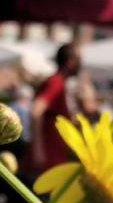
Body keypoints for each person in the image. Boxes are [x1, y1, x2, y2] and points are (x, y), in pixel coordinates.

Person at [23, 42, 80, 176]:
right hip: (47, 159)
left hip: (52, 157)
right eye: (78, 60)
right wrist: (38, 151)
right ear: (70, 62)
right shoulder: (56, 82)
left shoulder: (58, 82)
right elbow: (36, 111)